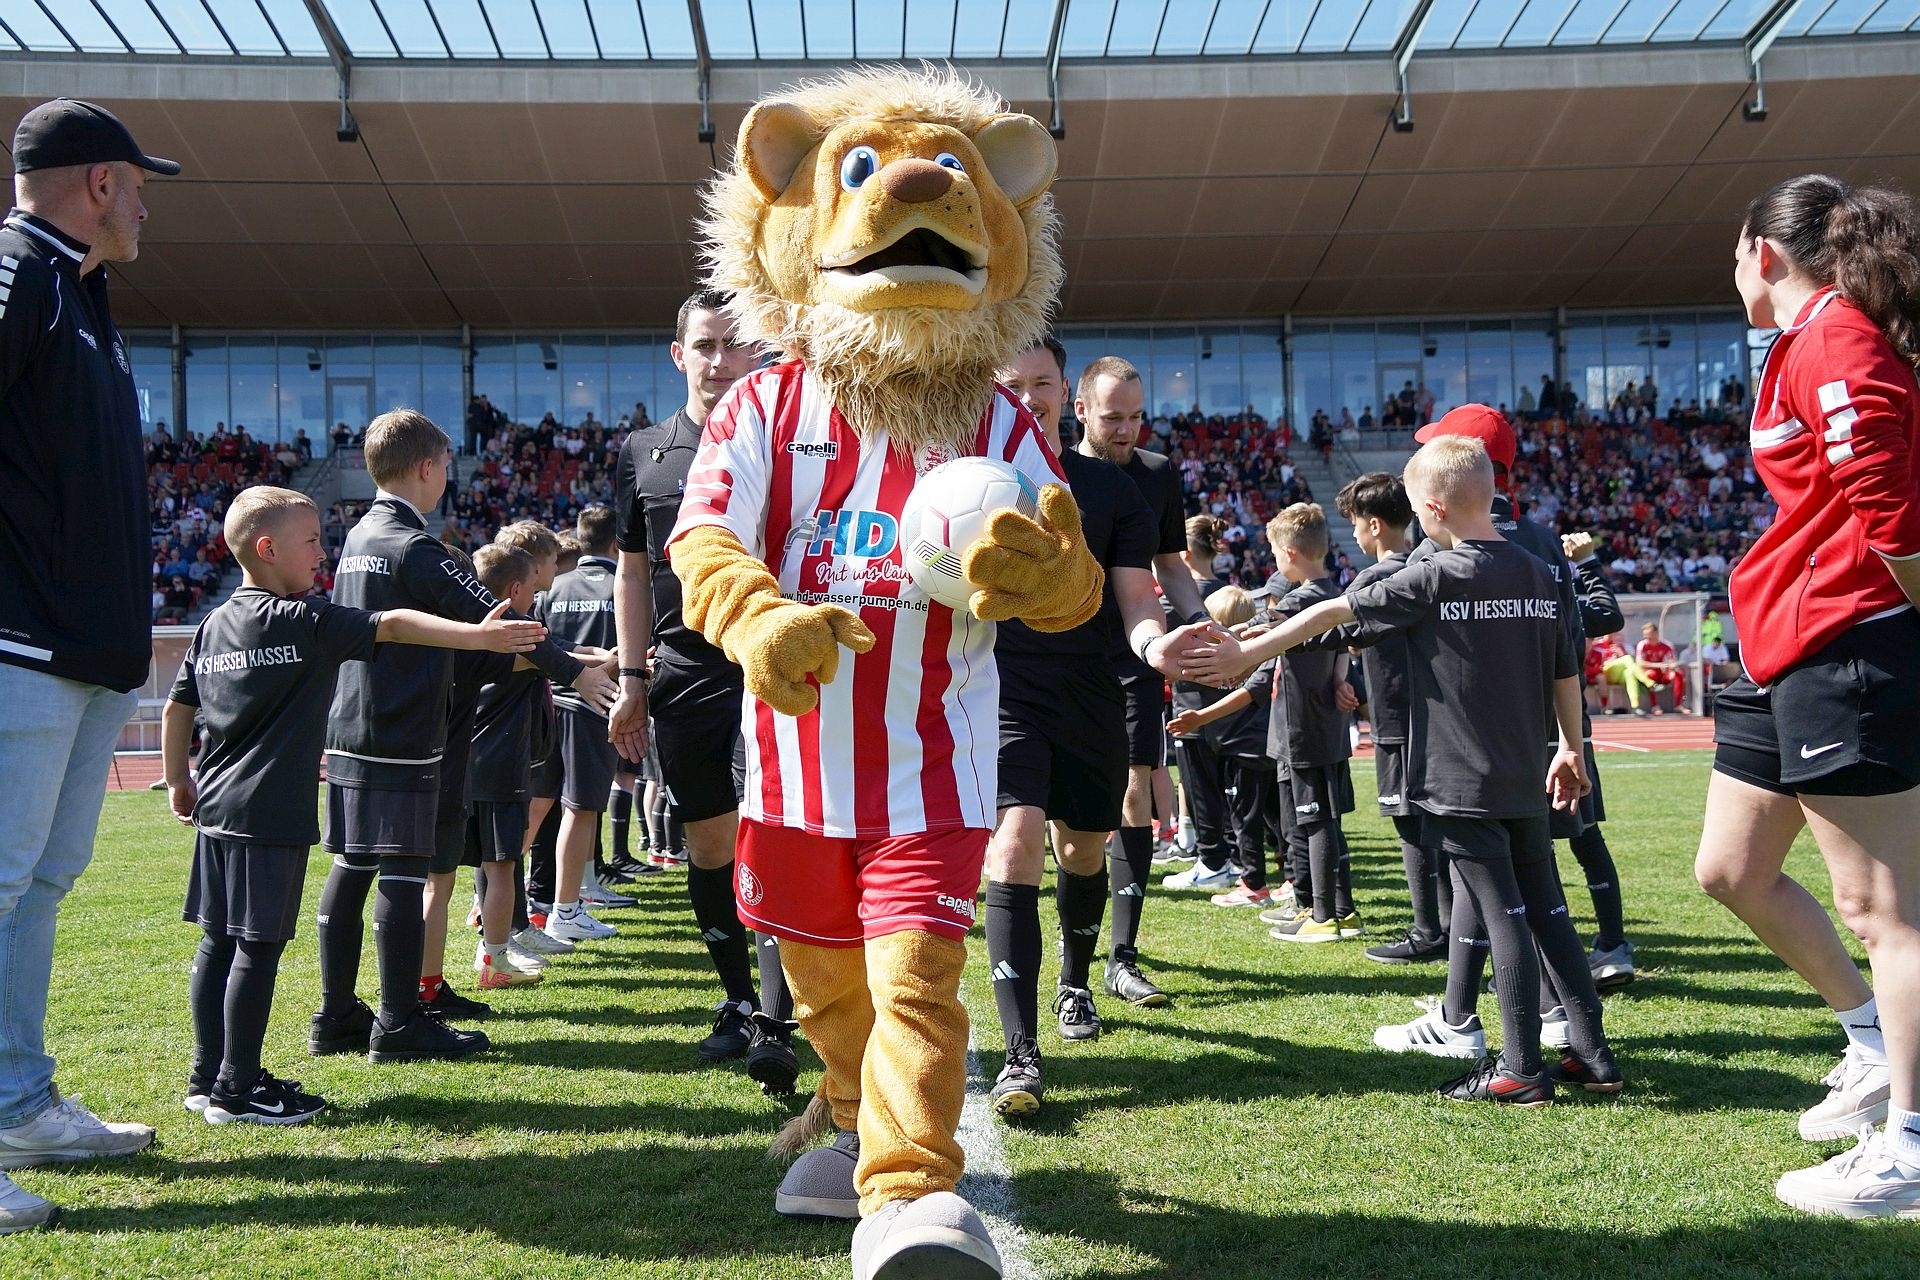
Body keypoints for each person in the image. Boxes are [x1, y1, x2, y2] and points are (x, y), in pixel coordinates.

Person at [1191, 436, 1621, 1104]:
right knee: (1546, 907)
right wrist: (1569, 746)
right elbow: (1566, 666)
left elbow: (1334, 611)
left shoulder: (1438, 574)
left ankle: (1520, 1067)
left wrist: (1248, 653)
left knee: (1503, 912)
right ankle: (1594, 1057)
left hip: (1461, 779)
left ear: (1433, 508)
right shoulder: (1539, 571)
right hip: (1527, 772)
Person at [162, 488, 544, 1125]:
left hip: (219, 808)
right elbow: (392, 623)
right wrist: (478, 636)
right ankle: (239, 1086)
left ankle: (206, 1078)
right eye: (312, 541)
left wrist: (179, 778)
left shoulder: (213, 623)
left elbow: (178, 707)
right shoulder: (302, 620)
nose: (322, 553)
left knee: (218, 942)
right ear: (268, 549)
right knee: (257, 947)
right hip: (270, 815)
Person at [1700, 174, 1920, 1217]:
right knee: (1730, 868)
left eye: (1733, 253)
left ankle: (1911, 1145)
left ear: (1766, 251)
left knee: (1885, 911)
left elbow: (1891, 505)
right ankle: (1872, 1040)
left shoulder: (1836, 337)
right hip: (1789, 639)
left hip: (1848, 643)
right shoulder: (1803, 341)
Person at [0, 98, 179, 1232]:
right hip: (20, 640)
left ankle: (19, 1104)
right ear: (99, 183)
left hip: (79, 647)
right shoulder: (19, 271)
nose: (148, 205)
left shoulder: (77, 291)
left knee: (40, 884)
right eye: (140, 185)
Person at [309, 410, 613, 1065]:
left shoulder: (359, 535)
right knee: (402, 872)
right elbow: (495, 620)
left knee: (352, 866)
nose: (448, 476)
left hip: (353, 723)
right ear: (426, 467)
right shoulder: (412, 546)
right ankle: (399, 1021)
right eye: (446, 465)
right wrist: (576, 673)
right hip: (403, 728)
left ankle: (336, 1014)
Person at [606, 290, 802, 1088]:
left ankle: (780, 1015)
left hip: (769, 667)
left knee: (776, 835)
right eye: (706, 344)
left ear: (759, 352)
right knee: (711, 845)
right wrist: (630, 678)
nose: (720, 360)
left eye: (735, 344)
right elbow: (630, 572)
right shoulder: (642, 451)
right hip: (684, 674)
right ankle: (739, 1001)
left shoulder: (787, 440)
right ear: (679, 353)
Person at [979, 336, 1164, 1121]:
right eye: (1013, 383)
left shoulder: (1111, 490)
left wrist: (1157, 646)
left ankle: (1076, 982)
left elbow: (1136, 598)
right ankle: (1021, 1054)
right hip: (1000, 689)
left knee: (1082, 849)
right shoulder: (966, 482)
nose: (1029, 397)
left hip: (1092, 692)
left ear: (1066, 394)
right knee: (1014, 843)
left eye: (1042, 382)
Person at [1075, 357, 1210, 1008]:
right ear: (1082, 411)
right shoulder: (1048, 472)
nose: (1126, 430)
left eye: (1135, 417)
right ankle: (1075, 935)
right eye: (1113, 417)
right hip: (1056, 659)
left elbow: (1170, 566)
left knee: (1136, 790)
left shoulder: (1157, 474)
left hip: (1136, 652)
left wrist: (1206, 623)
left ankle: (1121, 958)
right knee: (1062, 816)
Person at [1634, 621, 1690, 714]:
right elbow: (1639, 662)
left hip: (1663, 673)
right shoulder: (1642, 645)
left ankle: (1678, 705)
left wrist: (1670, 665)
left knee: (1678, 674)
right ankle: (1654, 706)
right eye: (1645, 635)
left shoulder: (1667, 645)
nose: (1646, 637)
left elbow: (1672, 661)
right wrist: (1658, 665)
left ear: (1656, 633)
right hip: (1650, 672)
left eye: (1649, 635)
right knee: (1651, 675)